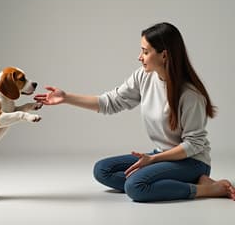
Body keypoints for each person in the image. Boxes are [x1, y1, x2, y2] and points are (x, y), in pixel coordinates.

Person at [34, 22, 235, 202]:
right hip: (161, 155)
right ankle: (171, 182)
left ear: (164, 55)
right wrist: (66, 97)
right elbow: (109, 102)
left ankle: (208, 189)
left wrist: (154, 160)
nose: (139, 57)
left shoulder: (190, 95)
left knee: (135, 187)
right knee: (103, 170)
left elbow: (194, 144)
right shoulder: (144, 77)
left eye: (145, 51)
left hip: (191, 161)